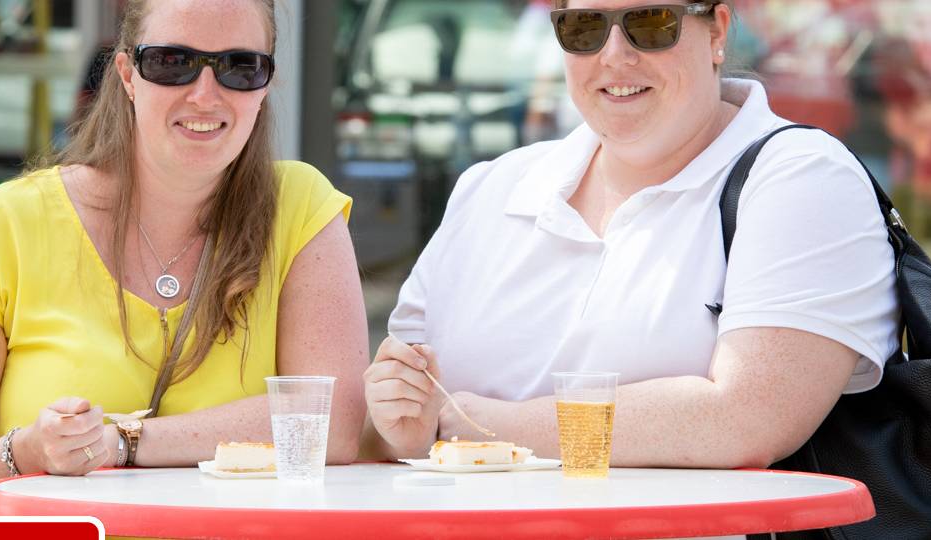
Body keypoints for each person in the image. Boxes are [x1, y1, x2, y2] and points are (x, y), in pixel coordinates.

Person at [364, 0, 900, 469]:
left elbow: (746, 418)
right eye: (583, 28)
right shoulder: (491, 188)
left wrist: (472, 425)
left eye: (650, 22)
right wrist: (400, 427)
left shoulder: (801, 177)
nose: (614, 54)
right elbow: (396, 418)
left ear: (716, 32)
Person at [0, 0, 368, 514]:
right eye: (172, 62)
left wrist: (124, 441)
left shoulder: (302, 208)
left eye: (239, 67)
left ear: (266, 84)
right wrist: (22, 453)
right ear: (126, 74)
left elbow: (330, 423)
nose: (205, 95)